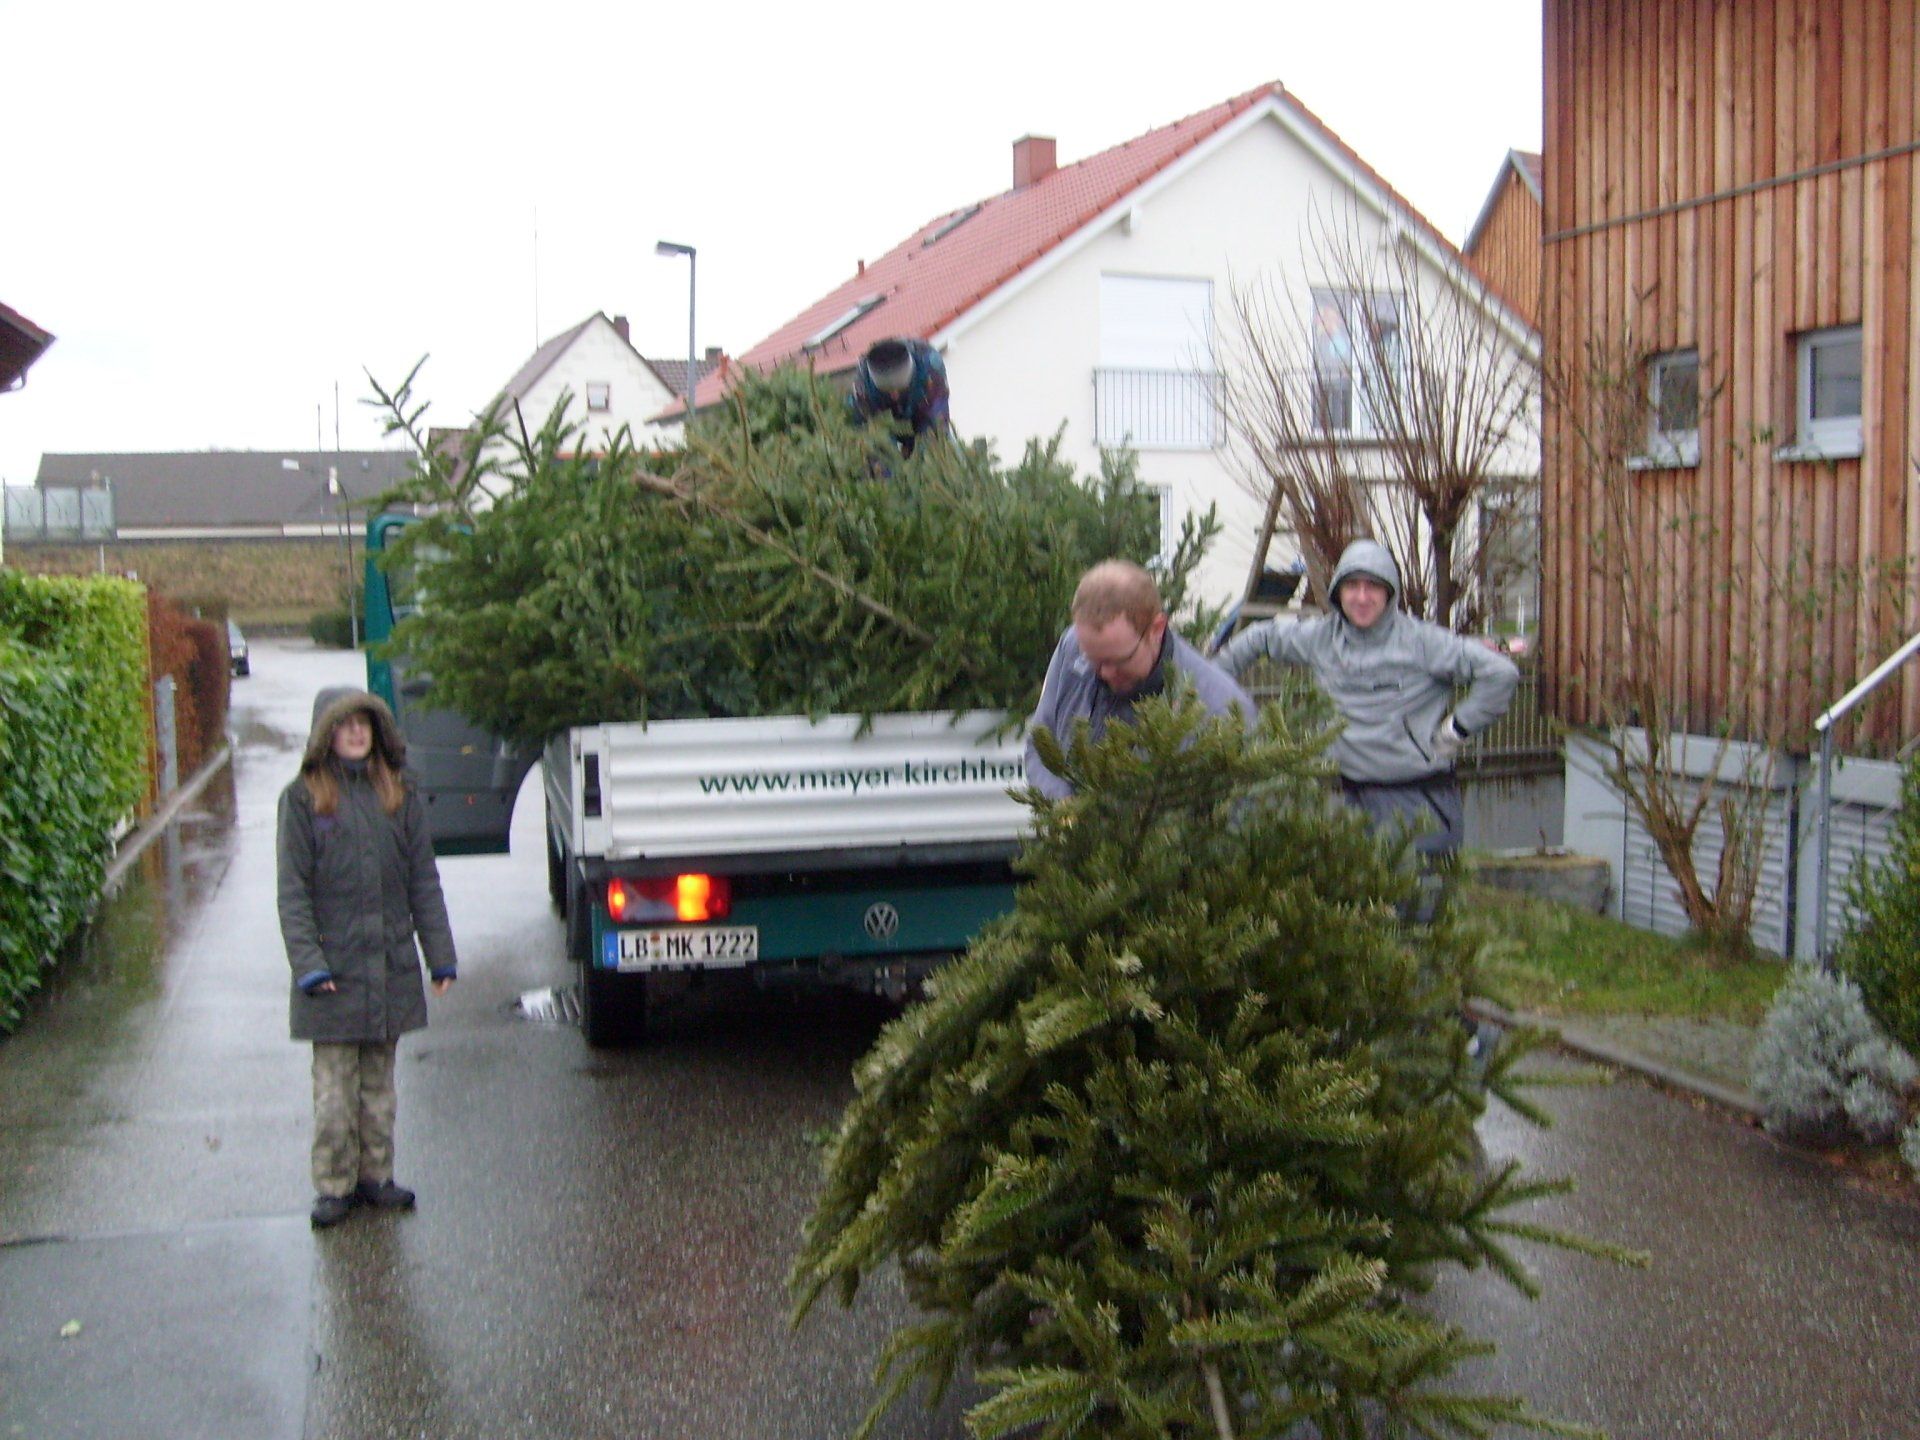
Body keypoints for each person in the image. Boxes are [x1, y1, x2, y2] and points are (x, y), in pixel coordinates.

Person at [1212, 537, 1518, 861]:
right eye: (1352, 586)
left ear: (1390, 592)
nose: (1361, 597)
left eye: (1372, 586)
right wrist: (1208, 685)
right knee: (1355, 905)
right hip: (1350, 801)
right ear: (1337, 592)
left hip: (1419, 802)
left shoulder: (1424, 643)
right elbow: (1260, 638)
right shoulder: (1320, 639)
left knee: (1418, 903)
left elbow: (1500, 673)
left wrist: (1456, 730)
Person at [277, 687, 457, 1230]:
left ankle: (376, 1177)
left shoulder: (397, 794)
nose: (356, 733)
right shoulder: (304, 798)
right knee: (335, 1092)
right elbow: (293, 891)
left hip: (389, 968)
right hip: (331, 977)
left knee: (379, 1087)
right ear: (324, 734)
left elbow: (423, 880)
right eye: (344, 724)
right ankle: (334, 1185)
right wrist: (309, 964)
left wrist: (439, 955)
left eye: (365, 725)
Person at [1026, 559, 1257, 799]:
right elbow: (1041, 745)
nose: (1104, 673)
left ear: (1156, 629)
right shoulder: (1072, 646)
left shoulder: (1220, 711)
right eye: (1093, 659)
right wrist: (1066, 810)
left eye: (1117, 661)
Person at [848, 336, 951, 457]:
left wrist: (921, 461)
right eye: (886, 390)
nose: (894, 396)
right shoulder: (862, 388)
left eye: (901, 388)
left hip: (923, 415)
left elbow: (936, 427)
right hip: (886, 425)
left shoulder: (931, 367)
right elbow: (872, 437)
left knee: (942, 453)